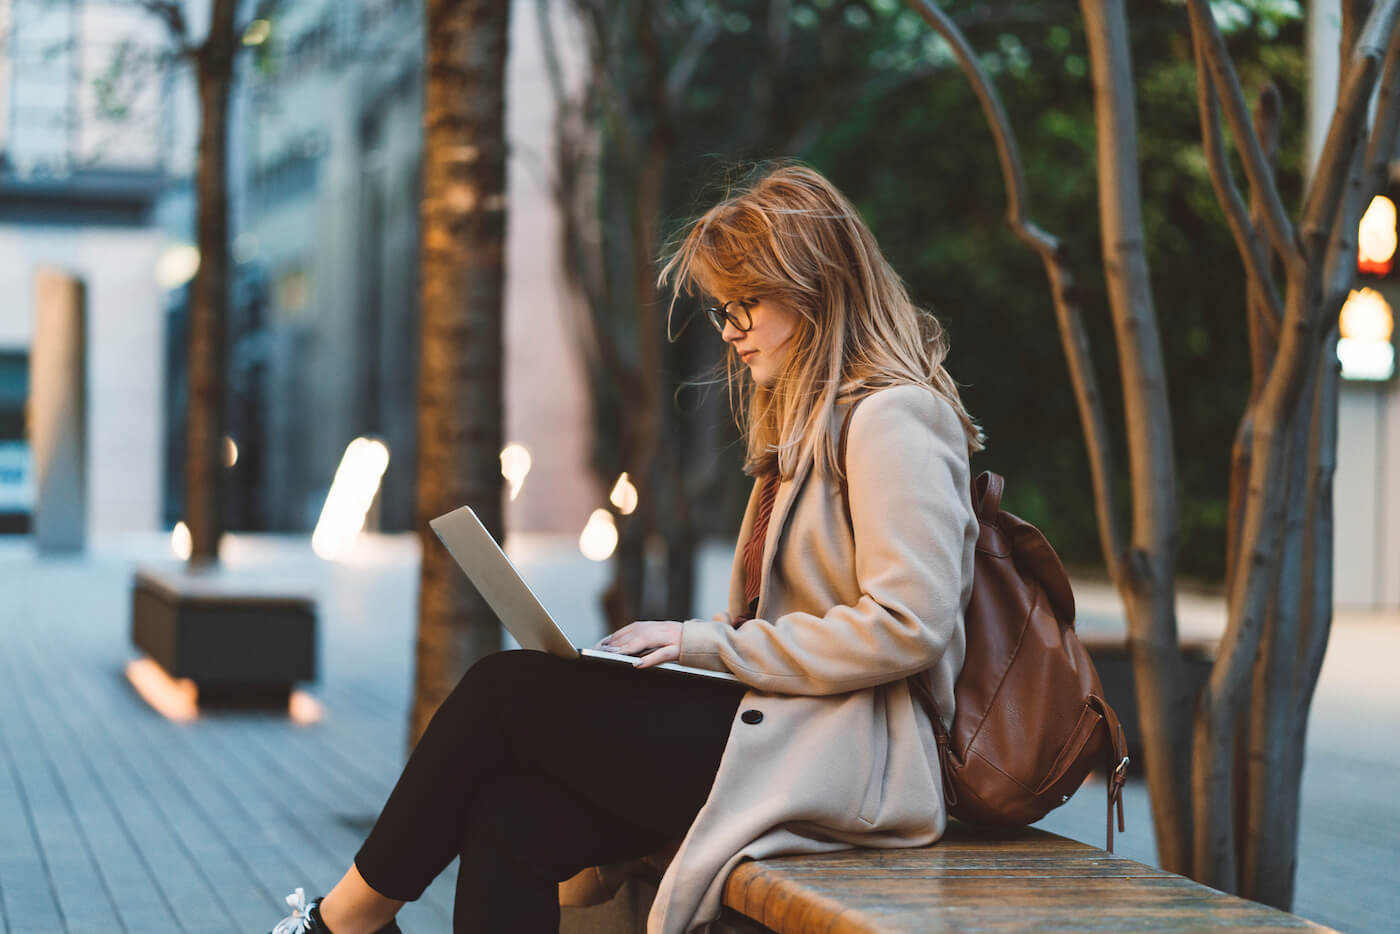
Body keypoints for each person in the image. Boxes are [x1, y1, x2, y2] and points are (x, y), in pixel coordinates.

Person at [265, 162, 983, 934]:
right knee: (515, 816)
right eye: (721, 308)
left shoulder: (895, 417)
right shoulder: (803, 430)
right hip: (783, 730)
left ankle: (345, 923)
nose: (731, 328)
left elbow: (908, 626)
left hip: (854, 758)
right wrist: (688, 651)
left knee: (504, 693)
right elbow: (787, 621)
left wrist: (699, 644)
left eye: (748, 302)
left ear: (819, 289)